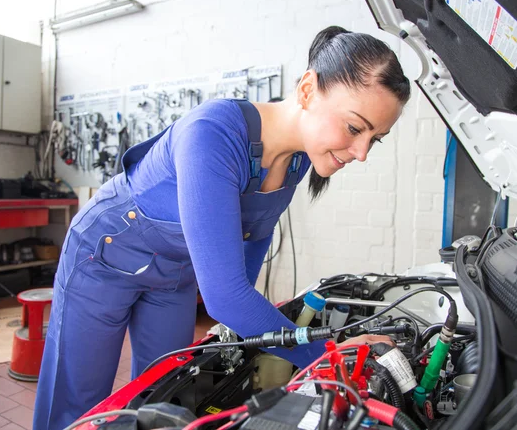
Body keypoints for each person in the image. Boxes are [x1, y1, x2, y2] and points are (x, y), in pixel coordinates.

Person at [33, 25, 411, 429]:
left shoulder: (298, 161)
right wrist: (328, 352)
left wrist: (241, 323)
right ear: (307, 90)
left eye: (376, 139)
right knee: (78, 404)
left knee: (163, 398)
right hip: (104, 255)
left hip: (175, 276)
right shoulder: (213, 134)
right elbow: (225, 296)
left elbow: (254, 240)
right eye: (356, 128)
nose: (362, 153)